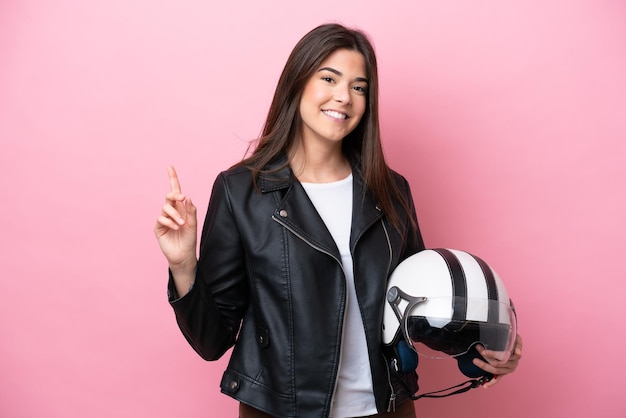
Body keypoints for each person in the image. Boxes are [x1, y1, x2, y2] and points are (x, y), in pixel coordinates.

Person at [154, 23, 522, 418]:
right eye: (329, 78)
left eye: (359, 87)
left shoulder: (391, 191)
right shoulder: (242, 191)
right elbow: (211, 340)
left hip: (387, 409)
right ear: (297, 83)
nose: (343, 97)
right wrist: (183, 266)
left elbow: (419, 308)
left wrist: (485, 346)